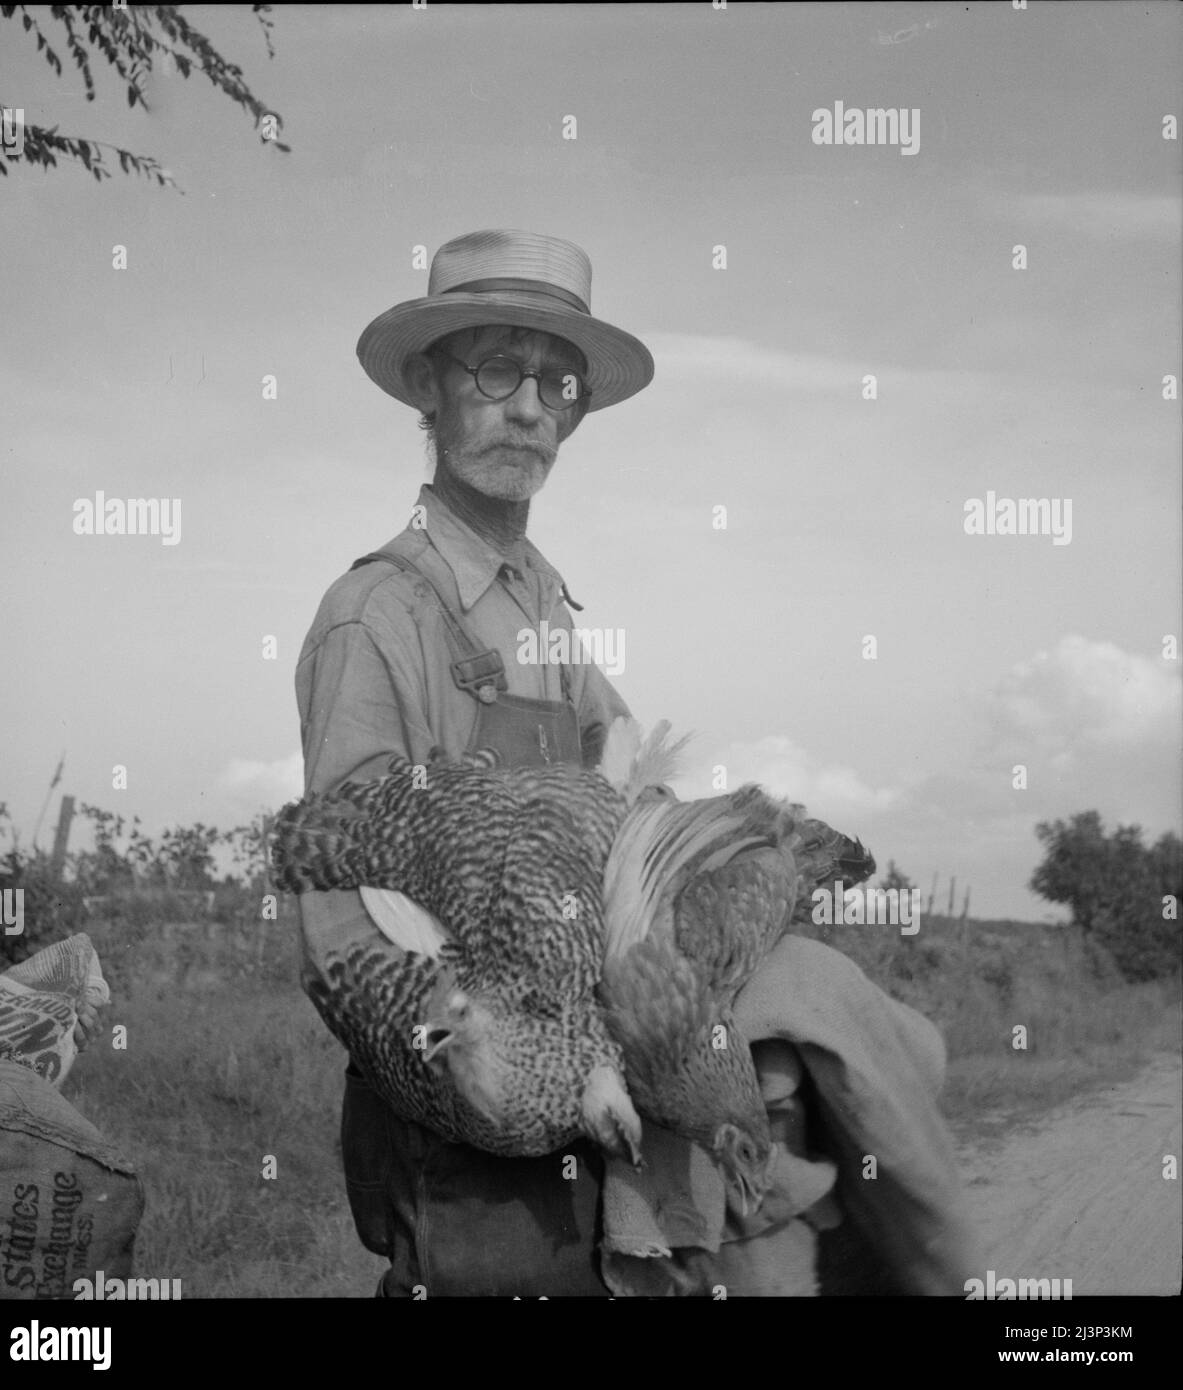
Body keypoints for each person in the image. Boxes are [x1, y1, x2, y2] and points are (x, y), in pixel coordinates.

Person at [294, 230, 980, 1297]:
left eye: (555, 381)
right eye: (495, 368)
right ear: (428, 385)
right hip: (472, 1146)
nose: (529, 407)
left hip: (590, 1090)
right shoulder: (375, 616)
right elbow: (341, 912)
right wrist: (505, 1074)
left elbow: (629, 800)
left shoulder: (542, 604)